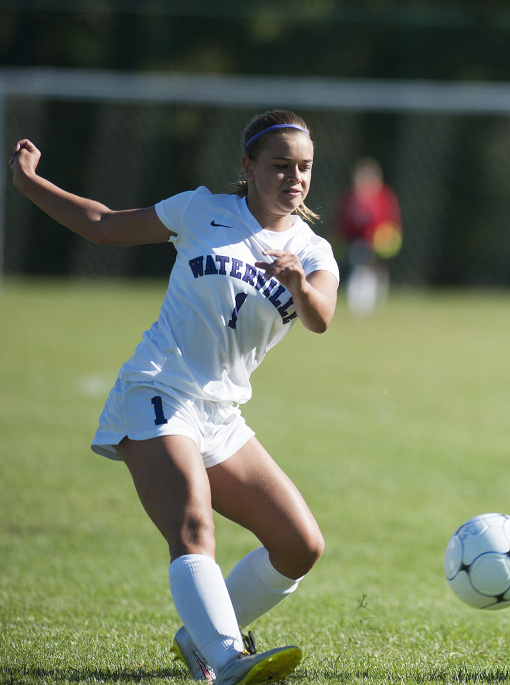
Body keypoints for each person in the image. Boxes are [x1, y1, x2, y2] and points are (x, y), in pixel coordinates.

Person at [8, 110, 340, 685]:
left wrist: (300, 285)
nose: (295, 178)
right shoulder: (201, 209)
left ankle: (201, 635)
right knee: (193, 523)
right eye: (281, 165)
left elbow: (322, 318)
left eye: (305, 168)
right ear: (248, 167)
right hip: (158, 388)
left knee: (300, 545)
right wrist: (27, 182)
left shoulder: (314, 252)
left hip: (222, 414)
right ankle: (229, 660)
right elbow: (103, 224)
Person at [331, 156, 402, 316]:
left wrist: (383, 240)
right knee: (360, 267)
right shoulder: (350, 198)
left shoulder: (384, 196)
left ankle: (377, 302)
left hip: (380, 243)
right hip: (357, 245)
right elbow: (342, 223)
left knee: (378, 271)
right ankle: (360, 305)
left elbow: (391, 221)